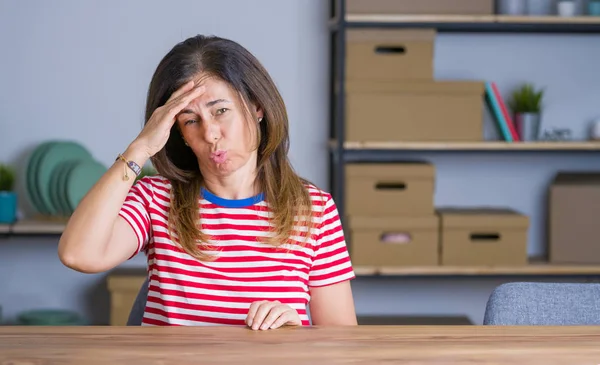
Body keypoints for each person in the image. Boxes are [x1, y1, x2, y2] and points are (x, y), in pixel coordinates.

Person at [58, 34, 357, 329]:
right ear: (178, 134)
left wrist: (296, 332)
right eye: (190, 120)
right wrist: (140, 148)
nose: (210, 134)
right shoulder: (155, 199)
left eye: (221, 111)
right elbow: (78, 254)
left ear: (257, 108)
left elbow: (340, 341)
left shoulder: (314, 209)